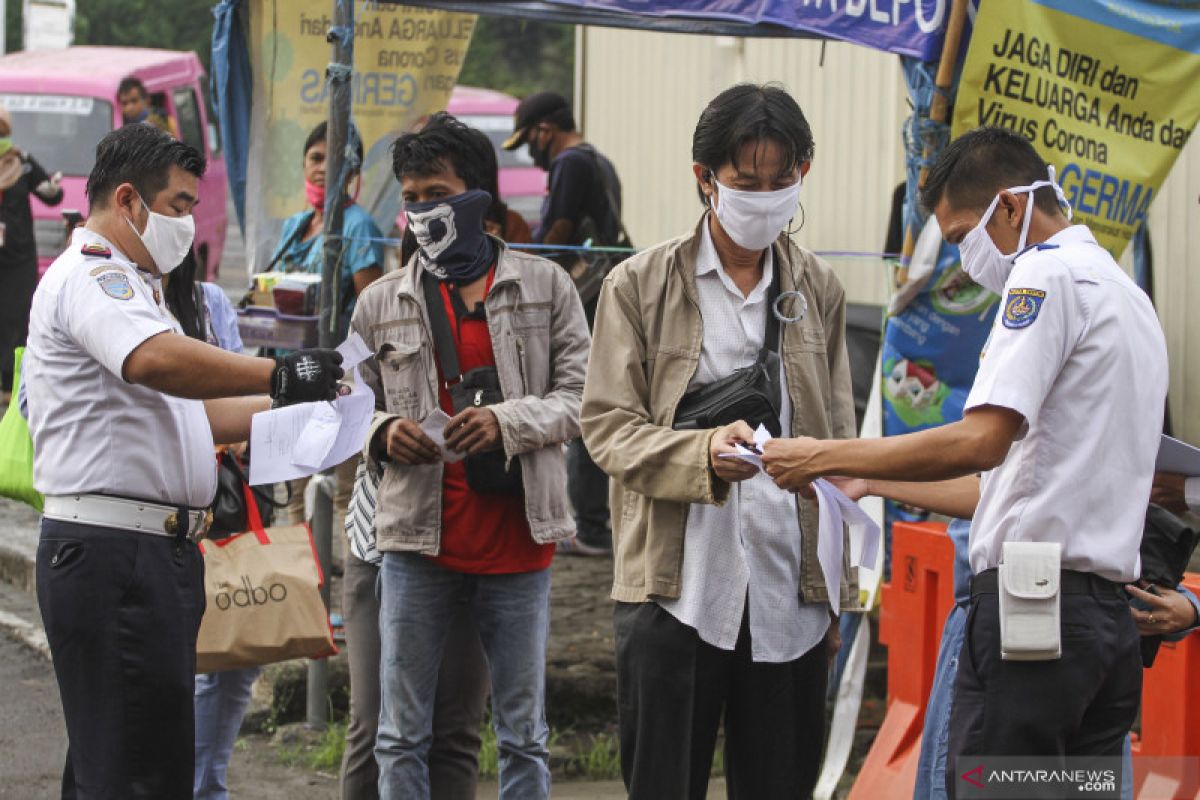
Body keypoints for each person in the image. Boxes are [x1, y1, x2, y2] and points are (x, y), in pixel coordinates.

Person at [762, 126, 1169, 796]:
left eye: (958, 238)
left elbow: (981, 441)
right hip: (1102, 629)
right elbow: (1011, 486)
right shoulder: (1126, 297)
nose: (964, 259)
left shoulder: (1043, 276)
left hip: (1034, 617)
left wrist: (819, 454)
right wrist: (871, 476)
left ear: (1009, 207)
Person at [25, 123, 343, 799]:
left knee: (131, 762)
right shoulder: (94, 277)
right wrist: (279, 373)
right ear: (128, 200)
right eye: (177, 205)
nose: (186, 222)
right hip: (116, 551)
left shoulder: (141, 291)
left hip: (150, 552)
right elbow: (158, 363)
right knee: (134, 771)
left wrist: (308, 406)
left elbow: (193, 416)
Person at [580, 84, 856, 799]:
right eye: (746, 182)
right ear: (704, 178)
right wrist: (700, 453)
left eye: (781, 181)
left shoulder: (817, 289)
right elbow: (606, 430)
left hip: (787, 599)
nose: (764, 197)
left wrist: (833, 591)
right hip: (676, 592)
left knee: (780, 783)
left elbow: (839, 446)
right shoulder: (638, 285)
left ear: (804, 171)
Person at [354, 111, 590, 799]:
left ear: (477, 196)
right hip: (414, 545)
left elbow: (584, 398)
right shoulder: (378, 305)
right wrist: (378, 433)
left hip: (520, 545)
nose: (422, 211)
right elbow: (344, 409)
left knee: (522, 735)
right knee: (400, 734)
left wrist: (506, 421)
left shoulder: (546, 288)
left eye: (436, 193)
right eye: (410, 198)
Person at [504, 91, 624, 556]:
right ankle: (593, 523)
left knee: (577, 404)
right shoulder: (598, 159)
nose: (530, 152)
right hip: (601, 297)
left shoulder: (570, 164)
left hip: (583, 300)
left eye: (528, 140)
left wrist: (519, 265)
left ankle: (589, 527)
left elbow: (558, 235)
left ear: (544, 130)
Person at [159, 248, 258, 800]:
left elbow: (240, 402)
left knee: (234, 657)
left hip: (219, 506)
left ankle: (208, 786)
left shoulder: (209, 302)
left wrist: (236, 425)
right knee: (181, 664)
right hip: (150, 516)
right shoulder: (97, 296)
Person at [340, 461, 491, 800]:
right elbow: (341, 420)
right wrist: (385, 431)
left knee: (456, 732)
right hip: (380, 546)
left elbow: (562, 411)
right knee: (375, 725)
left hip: (472, 547)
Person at [268, 120, 383, 526]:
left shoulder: (358, 227)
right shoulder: (294, 226)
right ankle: (310, 579)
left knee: (343, 490)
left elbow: (372, 311)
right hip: (293, 372)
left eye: (332, 160)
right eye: (315, 158)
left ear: (352, 170)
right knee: (295, 490)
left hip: (340, 375)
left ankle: (346, 580)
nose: (321, 168)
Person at [0, 105, 62, 399]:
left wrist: (29, 161)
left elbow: (52, 196)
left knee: (17, 317)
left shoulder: (20, 164)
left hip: (19, 257)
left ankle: (11, 383)